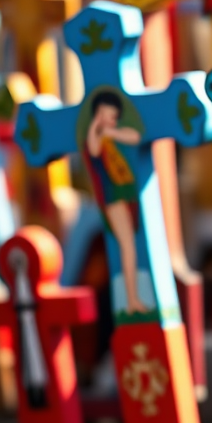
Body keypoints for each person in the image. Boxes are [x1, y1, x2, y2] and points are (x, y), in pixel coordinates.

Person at [85, 91, 145, 314]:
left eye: (114, 117)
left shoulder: (113, 135)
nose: (111, 122)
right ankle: (131, 300)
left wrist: (111, 130)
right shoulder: (98, 138)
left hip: (125, 194)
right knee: (127, 246)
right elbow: (93, 148)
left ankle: (133, 299)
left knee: (130, 245)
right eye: (107, 116)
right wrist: (98, 127)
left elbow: (135, 136)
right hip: (113, 198)